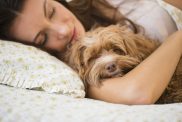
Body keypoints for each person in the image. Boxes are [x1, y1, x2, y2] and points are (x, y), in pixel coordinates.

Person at [0, 0, 181, 105]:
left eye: (52, 11)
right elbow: (138, 93)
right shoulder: (77, 73)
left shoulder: (101, 3)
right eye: (43, 38)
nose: (63, 31)